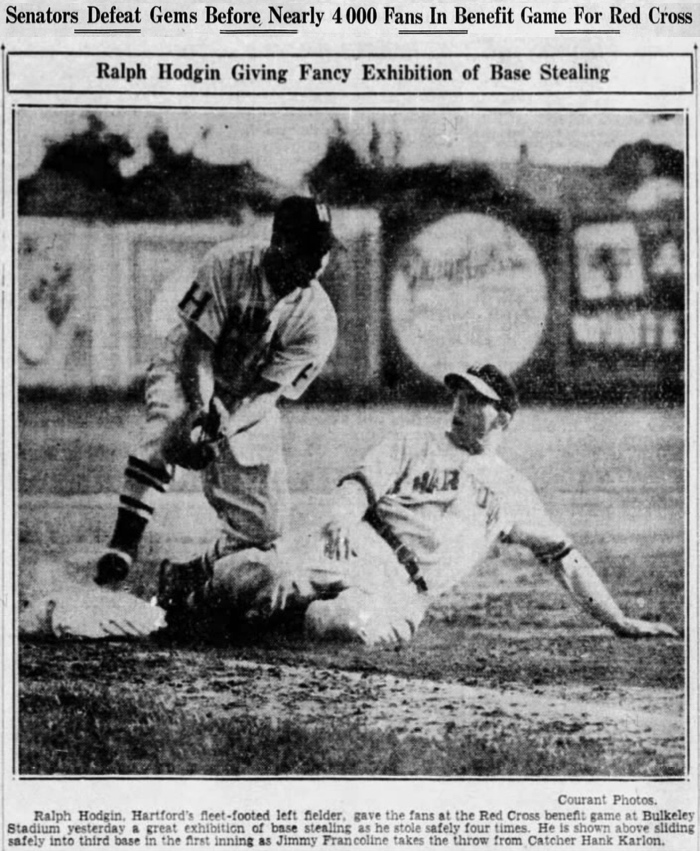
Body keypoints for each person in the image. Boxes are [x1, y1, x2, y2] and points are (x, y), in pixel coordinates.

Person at [156, 364, 678, 646]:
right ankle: (189, 597)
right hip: (359, 543)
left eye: (477, 400)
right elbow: (360, 484)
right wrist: (342, 515)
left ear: (504, 419)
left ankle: (268, 623)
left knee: (344, 625)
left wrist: (619, 620)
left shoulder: (514, 489)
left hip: (405, 591)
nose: (462, 405)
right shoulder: (415, 441)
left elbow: (564, 557)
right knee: (274, 574)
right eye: (460, 395)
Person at [94, 196, 339, 586]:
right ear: (279, 241)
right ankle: (122, 547)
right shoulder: (227, 262)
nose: (316, 265)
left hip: (247, 398)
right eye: (307, 250)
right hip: (188, 368)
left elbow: (267, 393)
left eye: (322, 252)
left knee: (266, 528)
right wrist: (198, 409)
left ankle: (189, 576)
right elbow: (198, 348)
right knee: (170, 422)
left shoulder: (318, 319)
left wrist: (225, 424)